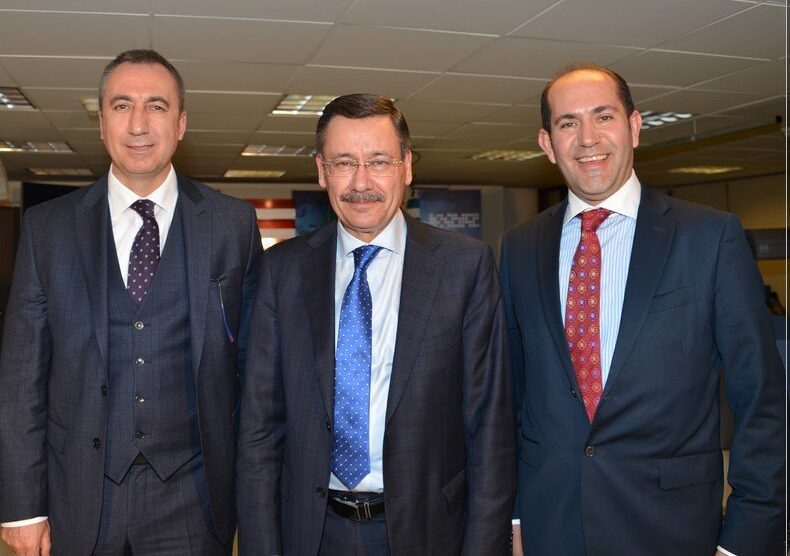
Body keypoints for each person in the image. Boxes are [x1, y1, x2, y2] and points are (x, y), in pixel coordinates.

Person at [500, 64, 785, 556]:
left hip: (672, 529)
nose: (587, 138)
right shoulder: (520, 247)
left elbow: (762, 398)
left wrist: (744, 539)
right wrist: (516, 517)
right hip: (551, 526)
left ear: (634, 126)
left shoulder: (710, 237)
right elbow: (514, 396)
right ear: (547, 143)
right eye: (568, 123)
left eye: (603, 116)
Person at [0, 49, 262, 556]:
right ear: (101, 122)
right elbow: (20, 378)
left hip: (194, 500)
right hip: (79, 496)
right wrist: (22, 506)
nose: (138, 124)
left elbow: (256, 372)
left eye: (156, 106)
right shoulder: (47, 229)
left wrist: (256, 494)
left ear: (181, 123)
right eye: (121, 106)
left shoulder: (232, 225)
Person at [236, 93, 515, 555]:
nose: (361, 182)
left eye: (379, 161)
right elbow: (259, 429)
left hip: (428, 531)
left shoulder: (464, 268)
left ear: (407, 167)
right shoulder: (281, 271)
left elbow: (490, 429)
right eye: (344, 162)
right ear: (321, 170)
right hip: (309, 532)